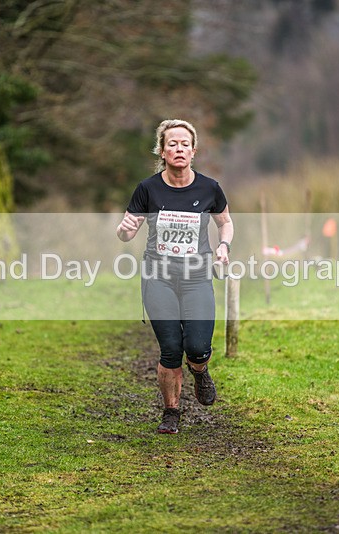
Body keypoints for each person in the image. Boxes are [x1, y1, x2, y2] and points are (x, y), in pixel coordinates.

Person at [117, 119, 234, 434]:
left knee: (196, 347)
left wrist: (223, 246)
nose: (179, 149)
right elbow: (127, 232)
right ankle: (171, 413)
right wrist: (124, 230)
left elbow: (225, 222)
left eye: (185, 144)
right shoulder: (148, 189)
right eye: (172, 144)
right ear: (162, 150)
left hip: (197, 277)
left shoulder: (209, 188)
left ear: (193, 151)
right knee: (170, 348)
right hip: (159, 276)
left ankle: (200, 370)